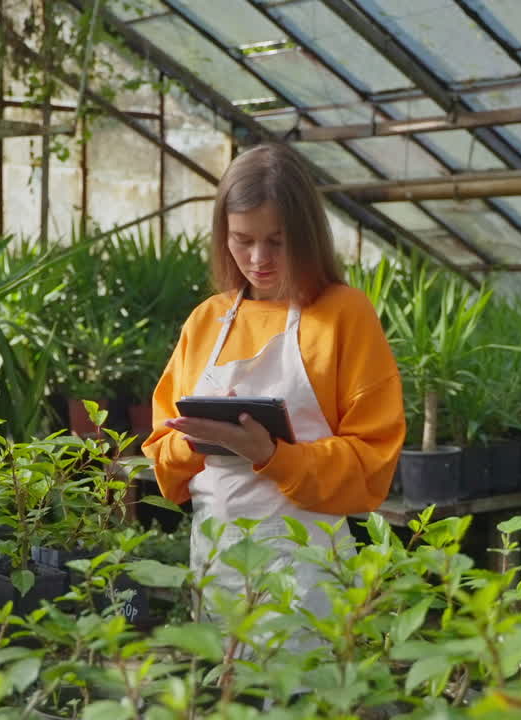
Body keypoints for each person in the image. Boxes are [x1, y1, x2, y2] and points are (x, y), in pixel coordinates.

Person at [141, 142, 406, 629]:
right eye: (242, 240)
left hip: (307, 574)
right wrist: (196, 437)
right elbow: (161, 455)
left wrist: (272, 455)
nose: (258, 258)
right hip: (217, 561)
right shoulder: (207, 321)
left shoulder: (344, 316)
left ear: (306, 235)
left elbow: (373, 463)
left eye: (277, 242)